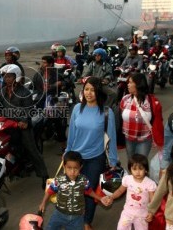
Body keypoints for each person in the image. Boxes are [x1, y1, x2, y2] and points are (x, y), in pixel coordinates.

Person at [65, 76, 118, 230]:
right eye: (86, 89)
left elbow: (112, 138)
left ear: (98, 92)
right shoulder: (76, 108)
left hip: (96, 158)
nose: (89, 93)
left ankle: (87, 222)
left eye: (93, 90)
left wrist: (113, 161)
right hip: (76, 158)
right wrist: (67, 153)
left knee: (89, 191)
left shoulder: (107, 112)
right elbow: (72, 133)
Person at [0, 64, 49, 187]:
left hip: (22, 126)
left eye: (9, 76)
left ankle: (44, 176)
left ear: (17, 77)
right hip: (7, 124)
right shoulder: (3, 91)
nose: (6, 79)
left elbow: (28, 110)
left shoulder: (24, 92)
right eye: (4, 76)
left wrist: (23, 121)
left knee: (32, 150)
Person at [39, 151, 107, 230]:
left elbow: (89, 191)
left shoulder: (83, 180)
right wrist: (43, 203)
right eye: (69, 168)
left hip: (77, 217)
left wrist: (100, 198)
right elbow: (50, 191)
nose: (72, 172)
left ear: (80, 167)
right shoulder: (59, 180)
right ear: (64, 166)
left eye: (76, 168)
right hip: (59, 214)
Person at [102, 154, 157, 230]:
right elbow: (120, 190)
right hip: (127, 212)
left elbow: (153, 200)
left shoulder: (150, 184)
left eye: (140, 169)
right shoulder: (127, 179)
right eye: (134, 169)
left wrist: (152, 212)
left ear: (146, 170)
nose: (137, 172)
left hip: (142, 214)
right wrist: (112, 197)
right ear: (130, 169)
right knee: (121, 228)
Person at [31, 56, 66, 148]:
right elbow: (32, 86)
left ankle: (63, 145)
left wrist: (59, 84)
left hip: (53, 100)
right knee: (34, 119)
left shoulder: (56, 73)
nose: (42, 64)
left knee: (57, 120)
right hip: (40, 99)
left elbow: (66, 82)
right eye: (42, 62)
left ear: (50, 64)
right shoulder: (38, 74)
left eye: (45, 63)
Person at [120, 73, 157, 158]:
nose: (128, 85)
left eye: (130, 82)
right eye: (128, 82)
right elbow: (121, 115)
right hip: (128, 139)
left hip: (144, 139)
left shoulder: (151, 101)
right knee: (132, 165)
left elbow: (157, 120)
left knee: (140, 165)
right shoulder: (125, 99)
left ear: (138, 84)